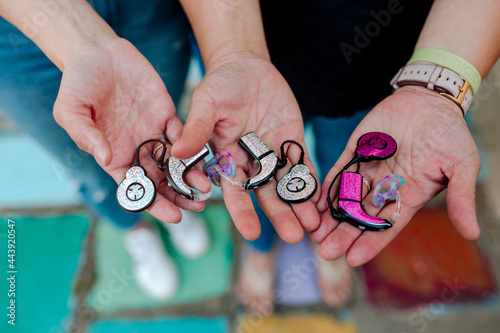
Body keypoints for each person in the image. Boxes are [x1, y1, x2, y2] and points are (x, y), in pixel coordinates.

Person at [0, 0, 210, 301]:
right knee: (94, 165)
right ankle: (135, 228)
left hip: (148, 11)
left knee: (158, 128)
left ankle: (170, 199)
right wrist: (84, 43)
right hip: (16, 34)